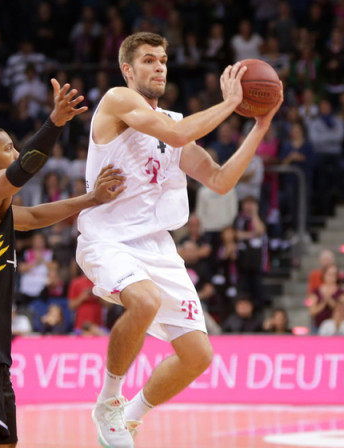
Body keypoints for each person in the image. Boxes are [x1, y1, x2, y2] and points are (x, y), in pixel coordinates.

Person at [74, 32, 282, 448]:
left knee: (198, 356)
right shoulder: (117, 100)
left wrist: (260, 125)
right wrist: (229, 103)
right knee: (145, 301)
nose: (159, 67)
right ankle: (109, 400)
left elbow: (221, 180)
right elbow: (175, 135)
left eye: (164, 60)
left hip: (157, 248)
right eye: (149, 60)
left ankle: (130, 418)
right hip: (108, 239)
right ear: (128, 69)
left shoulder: (173, 123)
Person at [0, 79, 125, 448]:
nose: (16, 151)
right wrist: (55, 122)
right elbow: (25, 168)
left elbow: (34, 217)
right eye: (8, 148)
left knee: (6, 444)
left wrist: (91, 198)